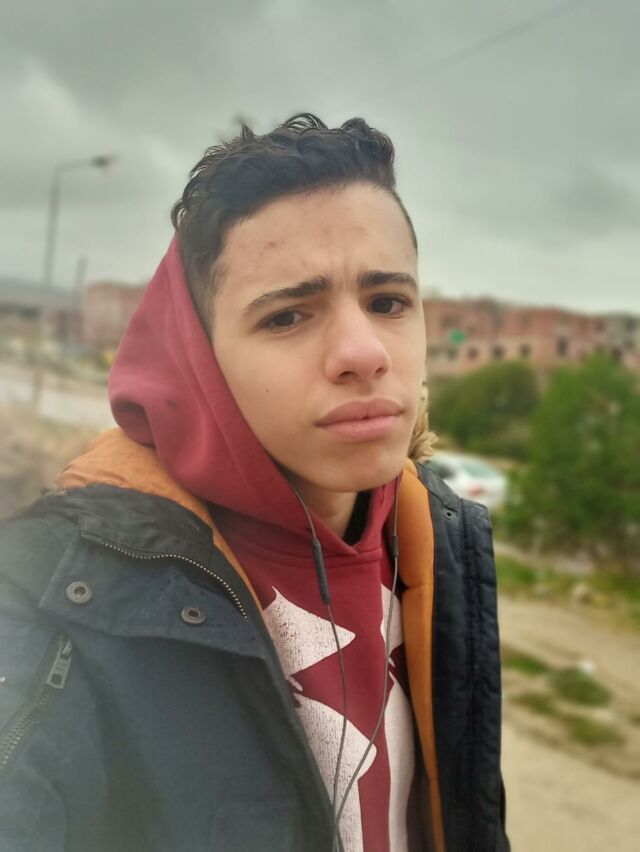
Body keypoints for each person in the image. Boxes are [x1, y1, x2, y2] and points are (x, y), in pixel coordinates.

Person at [0, 114, 509, 851]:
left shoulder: (444, 542)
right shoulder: (56, 596)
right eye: (288, 316)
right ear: (199, 361)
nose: (364, 352)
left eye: (387, 302)